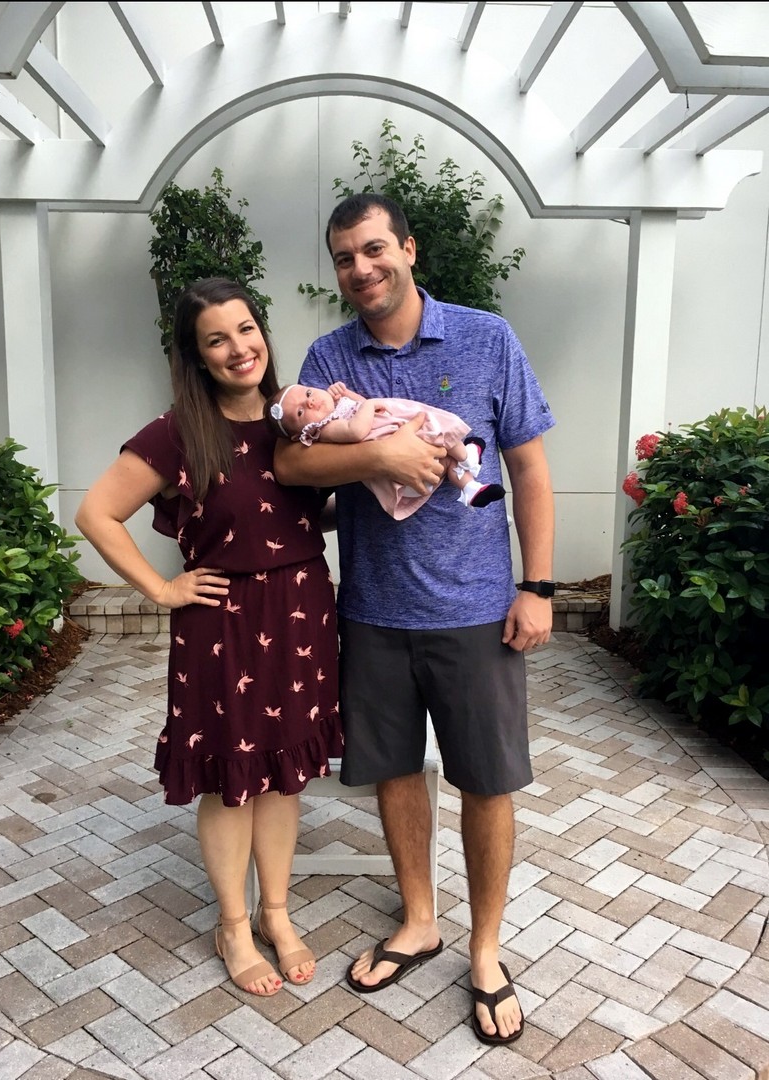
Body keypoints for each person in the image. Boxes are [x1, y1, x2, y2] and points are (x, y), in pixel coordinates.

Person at [274, 194, 555, 1045]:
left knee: (486, 780)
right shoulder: (330, 356)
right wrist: (379, 453)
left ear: (407, 249)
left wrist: (538, 587)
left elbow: (529, 469)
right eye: (344, 258)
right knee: (395, 772)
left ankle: (486, 949)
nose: (360, 269)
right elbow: (291, 462)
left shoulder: (486, 338)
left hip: (476, 611)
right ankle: (420, 919)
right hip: (372, 611)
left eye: (373, 250)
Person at [76, 278, 343, 999]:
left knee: (284, 772)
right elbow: (96, 513)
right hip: (223, 625)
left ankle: (275, 912)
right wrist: (162, 589)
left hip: (301, 613)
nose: (238, 348)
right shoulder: (176, 433)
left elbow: (308, 511)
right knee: (232, 780)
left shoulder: (297, 419)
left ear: (263, 333)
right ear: (196, 356)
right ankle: (232, 925)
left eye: (246, 329)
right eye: (216, 339)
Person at [264, 380, 506, 518]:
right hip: (402, 470)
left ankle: (470, 487)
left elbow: (357, 405)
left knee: (444, 456)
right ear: (301, 433)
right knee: (435, 427)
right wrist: (370, 404)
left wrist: (346, 394)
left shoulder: (337, 408)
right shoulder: (325, 429)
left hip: (414, 462)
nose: (310, 401)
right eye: (300, 412)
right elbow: (356, 430)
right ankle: (467, 457)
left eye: (308, 393)